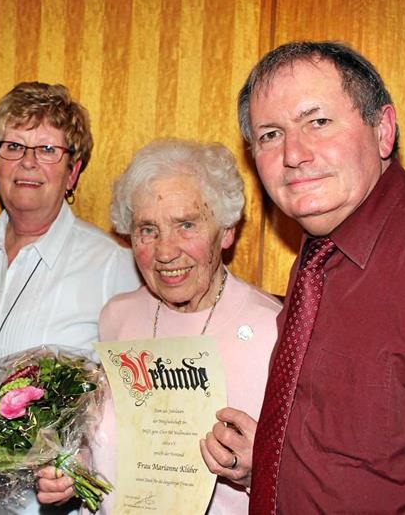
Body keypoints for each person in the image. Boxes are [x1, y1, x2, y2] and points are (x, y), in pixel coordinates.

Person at [0, 81, 141, 514]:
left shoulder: (112, 265)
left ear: (73, 171)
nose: (28, 162)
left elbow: (131, 398)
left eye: (48, 149)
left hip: (49, 504)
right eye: (13, 145)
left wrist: (82, 462)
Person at [238, 41, 405, 513]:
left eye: (318, 122)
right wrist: (271, 463)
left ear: (383, 130)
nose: (293, 154)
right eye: (270, 134)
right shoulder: (316, 257)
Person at [36, 138, 282, 513]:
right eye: (147, 230)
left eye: (186, 225)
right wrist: (71, 473)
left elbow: (316, 480)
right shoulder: (117, 318)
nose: (165, 252)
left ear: (227, 229)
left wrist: (258, 473)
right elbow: (104, 449)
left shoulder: (273, 331)